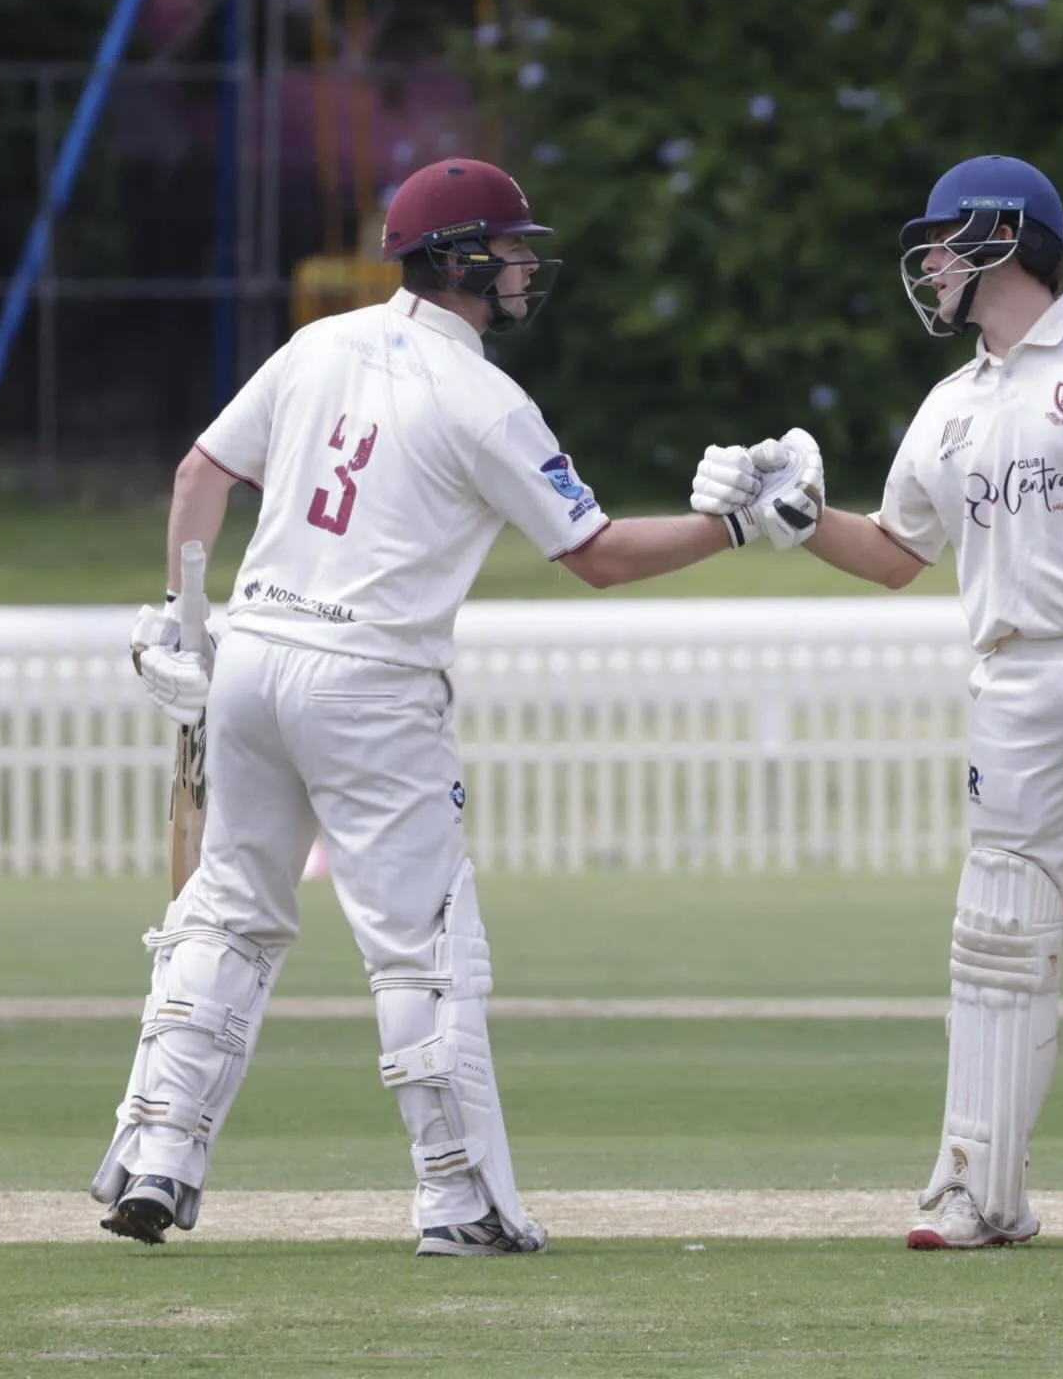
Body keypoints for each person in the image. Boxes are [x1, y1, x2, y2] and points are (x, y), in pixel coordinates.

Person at [93, 156, 813, 1256]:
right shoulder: (486, 402)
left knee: (227, 913)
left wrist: (183, 624)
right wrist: (735, 528)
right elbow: (597, 555)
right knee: (423, 946)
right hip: (372, 681)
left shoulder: (318, 344)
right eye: (513, 249)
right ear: (463, 259)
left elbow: (200, 475)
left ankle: (156, 1157)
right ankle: (460, 1201)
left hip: (253, 657)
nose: (525, 267)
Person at [690, 154, 1063, 1249]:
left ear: (1001, 236)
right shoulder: (949, 407)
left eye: (940, 244)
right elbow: (896, 553)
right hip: (1016, 673)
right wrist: (800, 519)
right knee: (999, 928)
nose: (928, 266)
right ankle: (978, 1185)